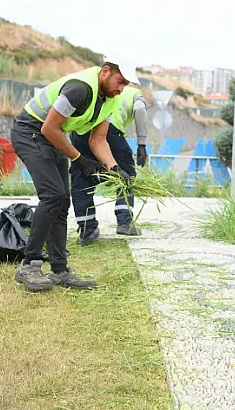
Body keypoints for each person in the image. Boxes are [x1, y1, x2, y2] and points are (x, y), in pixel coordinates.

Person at [10, 58, 139, 292]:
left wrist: (114, 168)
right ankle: (29, 266)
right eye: (120, 81)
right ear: (106, 71)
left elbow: (97, 139)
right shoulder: (79, 89)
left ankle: (60, 271)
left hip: (53, 137)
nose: (121, 88)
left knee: (62, 202)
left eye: (126, 84)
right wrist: (79, 159)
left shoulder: (111, 99)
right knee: (53, 195)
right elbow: (48, 127)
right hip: (30, 132)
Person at [69, 84, 150, 245]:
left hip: (80, 130)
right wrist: (142, 144)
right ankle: (125, 221)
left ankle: (87, 228)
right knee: (126, 174)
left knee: (81, 177)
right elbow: (140, 109)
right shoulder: (135, 93)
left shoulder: (98, 88)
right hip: (109, 131)